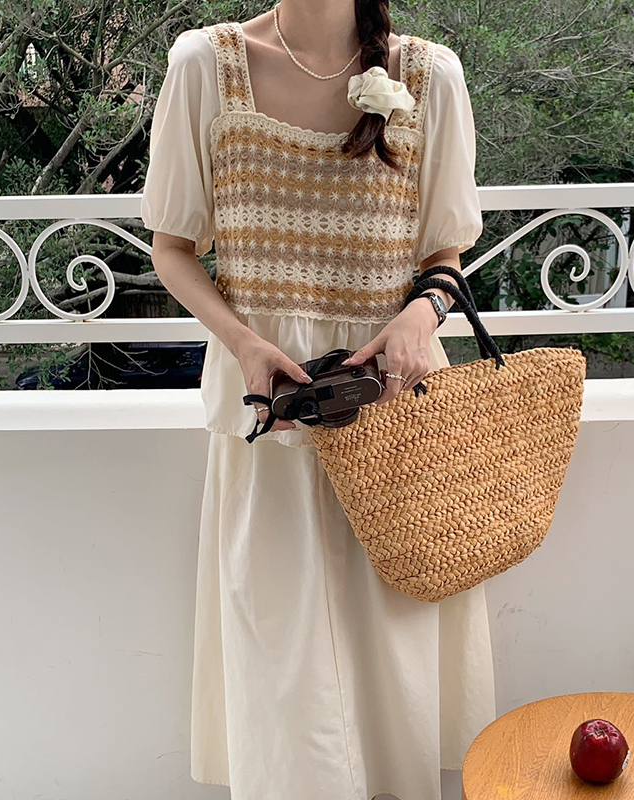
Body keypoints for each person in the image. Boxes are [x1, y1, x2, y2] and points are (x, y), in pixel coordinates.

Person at [140, 2, 495, 797]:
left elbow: (447, 250)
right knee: (282, 675)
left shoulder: (431, 75)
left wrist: (417, 319)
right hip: (270, 416)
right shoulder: (205, 65)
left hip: (394, 412)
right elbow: (172, 247)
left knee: (396, 671)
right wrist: (243, 343)